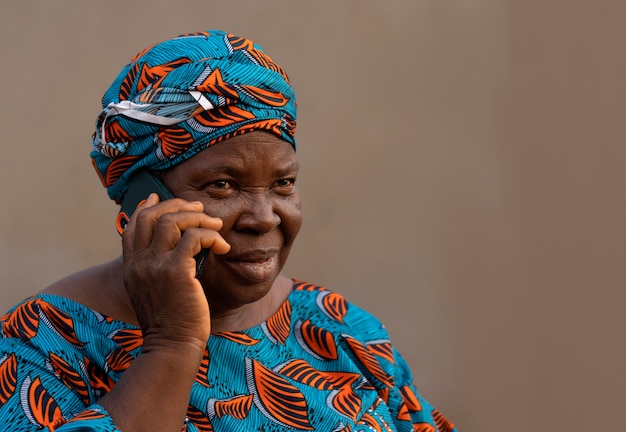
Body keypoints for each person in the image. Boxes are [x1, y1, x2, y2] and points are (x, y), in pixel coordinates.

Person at [0, 30, 456, 432]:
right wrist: (172, 345)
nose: (264, 216)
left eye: (283, 184)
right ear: (144, 201)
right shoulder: (39, 345)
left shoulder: (339, 329)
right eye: (223, 184)